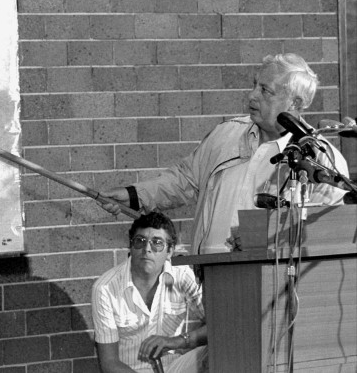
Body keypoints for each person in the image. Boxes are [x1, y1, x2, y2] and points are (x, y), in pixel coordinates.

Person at [98, 53, 349, 254]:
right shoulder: (226, 135)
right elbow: (184, 180)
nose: (252, 95)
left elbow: (325, 231)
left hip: (276, 288)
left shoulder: (322, 160)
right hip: (214, 280)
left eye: (265, 91)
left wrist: (264, 239)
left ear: (294, 103)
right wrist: (134, 196)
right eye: (254, 86)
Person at [91, 212, 207, 373]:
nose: (147, 249)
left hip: (176, 367)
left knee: (213, 351)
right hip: (130, 371)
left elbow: (219, 326)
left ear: (170, 251)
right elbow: (109, 363)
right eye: (140, 241)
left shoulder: (182, 275)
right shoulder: (105, 288)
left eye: (157, 243)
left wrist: (177, 341)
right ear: (130, 246)